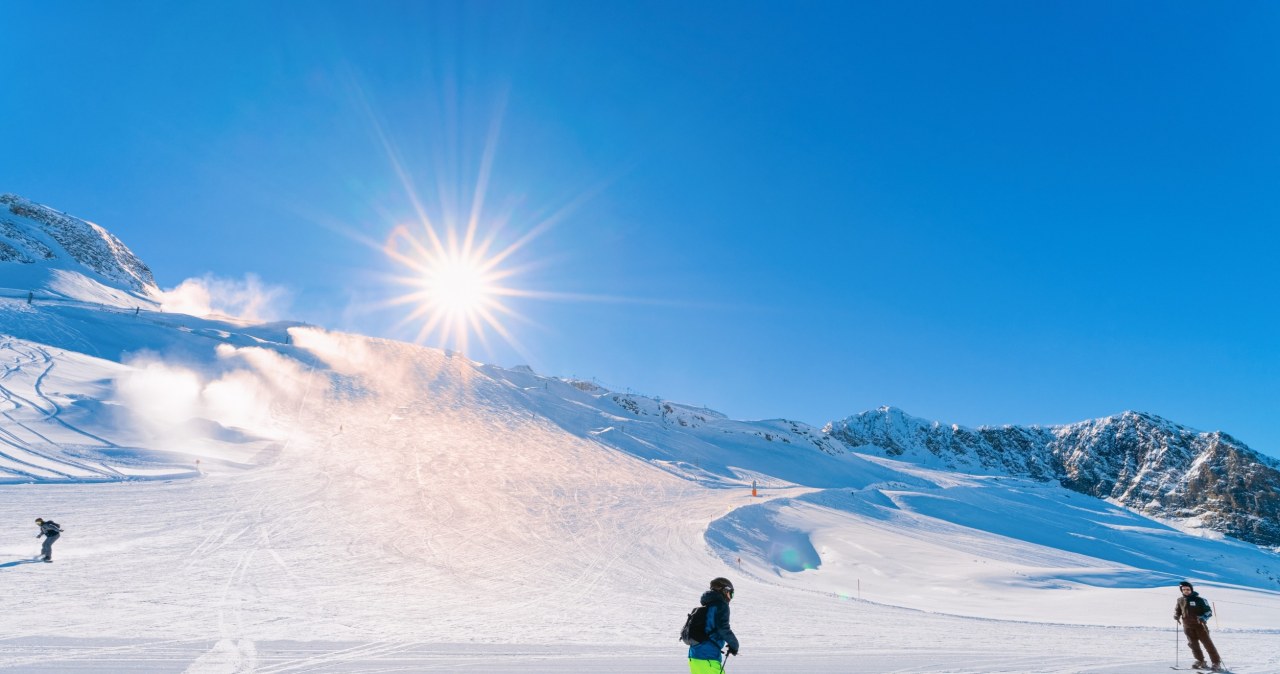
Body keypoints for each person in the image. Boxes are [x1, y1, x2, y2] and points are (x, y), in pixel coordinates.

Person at [687, 577, 740, 673]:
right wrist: (734, 645)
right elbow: (723, 628)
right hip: (708, 658)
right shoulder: (721, 605)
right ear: (725, 591)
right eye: (731, 593)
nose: (730, 597)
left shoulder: (707, 606)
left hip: (694, 657)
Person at [1174, 580, 1223, 671]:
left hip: (1200, 626)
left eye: (1188, 589)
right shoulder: (1180, 600)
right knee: (1193, 645)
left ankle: (1216, 662)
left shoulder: (1200, 600)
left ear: (1191, 589)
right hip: (1187, 627)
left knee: (1208, 644)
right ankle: (1200, 661)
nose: (1186, 591)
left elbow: (1209, 612)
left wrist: (1204, 617)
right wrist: (1176, 615)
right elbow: (1178, 610)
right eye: (1184, 589)